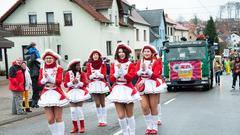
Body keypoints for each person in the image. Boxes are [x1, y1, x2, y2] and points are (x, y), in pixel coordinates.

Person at [107, 43, 141, 135]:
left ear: (126, 53)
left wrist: (122, 70)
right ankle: (125, 132)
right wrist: (117, 73)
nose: (121, 54)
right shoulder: (114, 64)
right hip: (117, 90)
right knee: (121, 116)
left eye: (122, 52)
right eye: (119, 52)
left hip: (128, 89)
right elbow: (111, 79)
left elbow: (130, 78)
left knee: (129, 115)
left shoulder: (130, 64)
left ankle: (132, 132)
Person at [38, 49, 69, 135]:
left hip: (56, 93)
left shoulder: (59, 68)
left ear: (54, 59)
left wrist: (49, 78)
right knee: (50, 119)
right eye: (46, 58)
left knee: (58, 117)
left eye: (50, 58)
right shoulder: (42, 69)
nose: (48, 59)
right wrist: (44, 79)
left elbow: (59, 82)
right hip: (46, 94)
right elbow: (39, 82)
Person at [135, 45, 163, 134]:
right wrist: (141, 70)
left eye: (148, 51)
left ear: (151, 53)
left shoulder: (156, 61)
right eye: (145, 51)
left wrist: (147, 69)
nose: (146, 53)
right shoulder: (140, 62)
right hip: (142, 84)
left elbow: (156, 74)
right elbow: (136, 74)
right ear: (142, 53)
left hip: (152, 84)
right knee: (144, 106)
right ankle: (149, 125)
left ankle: (154, 126)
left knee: (153, 106)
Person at [64, 59, 91, 133]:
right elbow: (65, 85)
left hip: (79, 92)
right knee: (73, 111)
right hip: (71, 92)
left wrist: (78, 82)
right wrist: (72, 82)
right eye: (77, 65)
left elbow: (85, 84)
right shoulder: (68, 73)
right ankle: (75, 127)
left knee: (79, 110)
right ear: (73, 66)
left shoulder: (81, 73)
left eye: (79, 65)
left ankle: (82, 127)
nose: (79, 66)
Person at [86, 50, 109, 127]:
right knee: (97, 103)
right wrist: (92, 76)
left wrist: (100, 74)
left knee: (103, 103)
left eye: (96, 54)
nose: (95, 56)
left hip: (101, 83)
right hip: (94, 84)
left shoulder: (103, 64)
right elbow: (88, 75)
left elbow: (105, 74)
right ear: (92, 56)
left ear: (99, 56)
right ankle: (100, 120)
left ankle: (104, 120)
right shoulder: (89, 65)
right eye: (94, 55)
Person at [26, 43, 42, 108]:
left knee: (36, 89)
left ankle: (35, 103)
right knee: (36, 89)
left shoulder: (31, 54)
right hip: (34, 75)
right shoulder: (32, 54)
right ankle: (34, 103)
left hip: (35, 74)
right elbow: (32, 61)